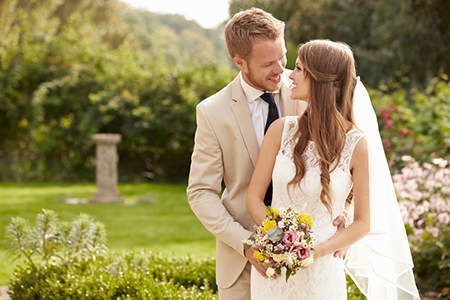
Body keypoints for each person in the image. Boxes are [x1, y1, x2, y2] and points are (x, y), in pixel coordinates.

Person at [187, 8, 348, 299]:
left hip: (310, 260)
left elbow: (345, 161)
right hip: (242, 266)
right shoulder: (212, 112)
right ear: (240, 62)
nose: (281, 70)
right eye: (268, 63)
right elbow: (201, 192)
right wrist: (246, 244)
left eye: (283, 57)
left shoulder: (308, 89)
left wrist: (344, 216)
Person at [246, 40, 420, 299]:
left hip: (322, 272)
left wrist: (318, 251)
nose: (289, 75)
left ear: (320, 80)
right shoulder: (281, 130)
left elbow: (362, 222)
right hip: (274, 270)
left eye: (299, 69)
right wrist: (280, 237)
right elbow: (254, 198)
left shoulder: (356, 144)